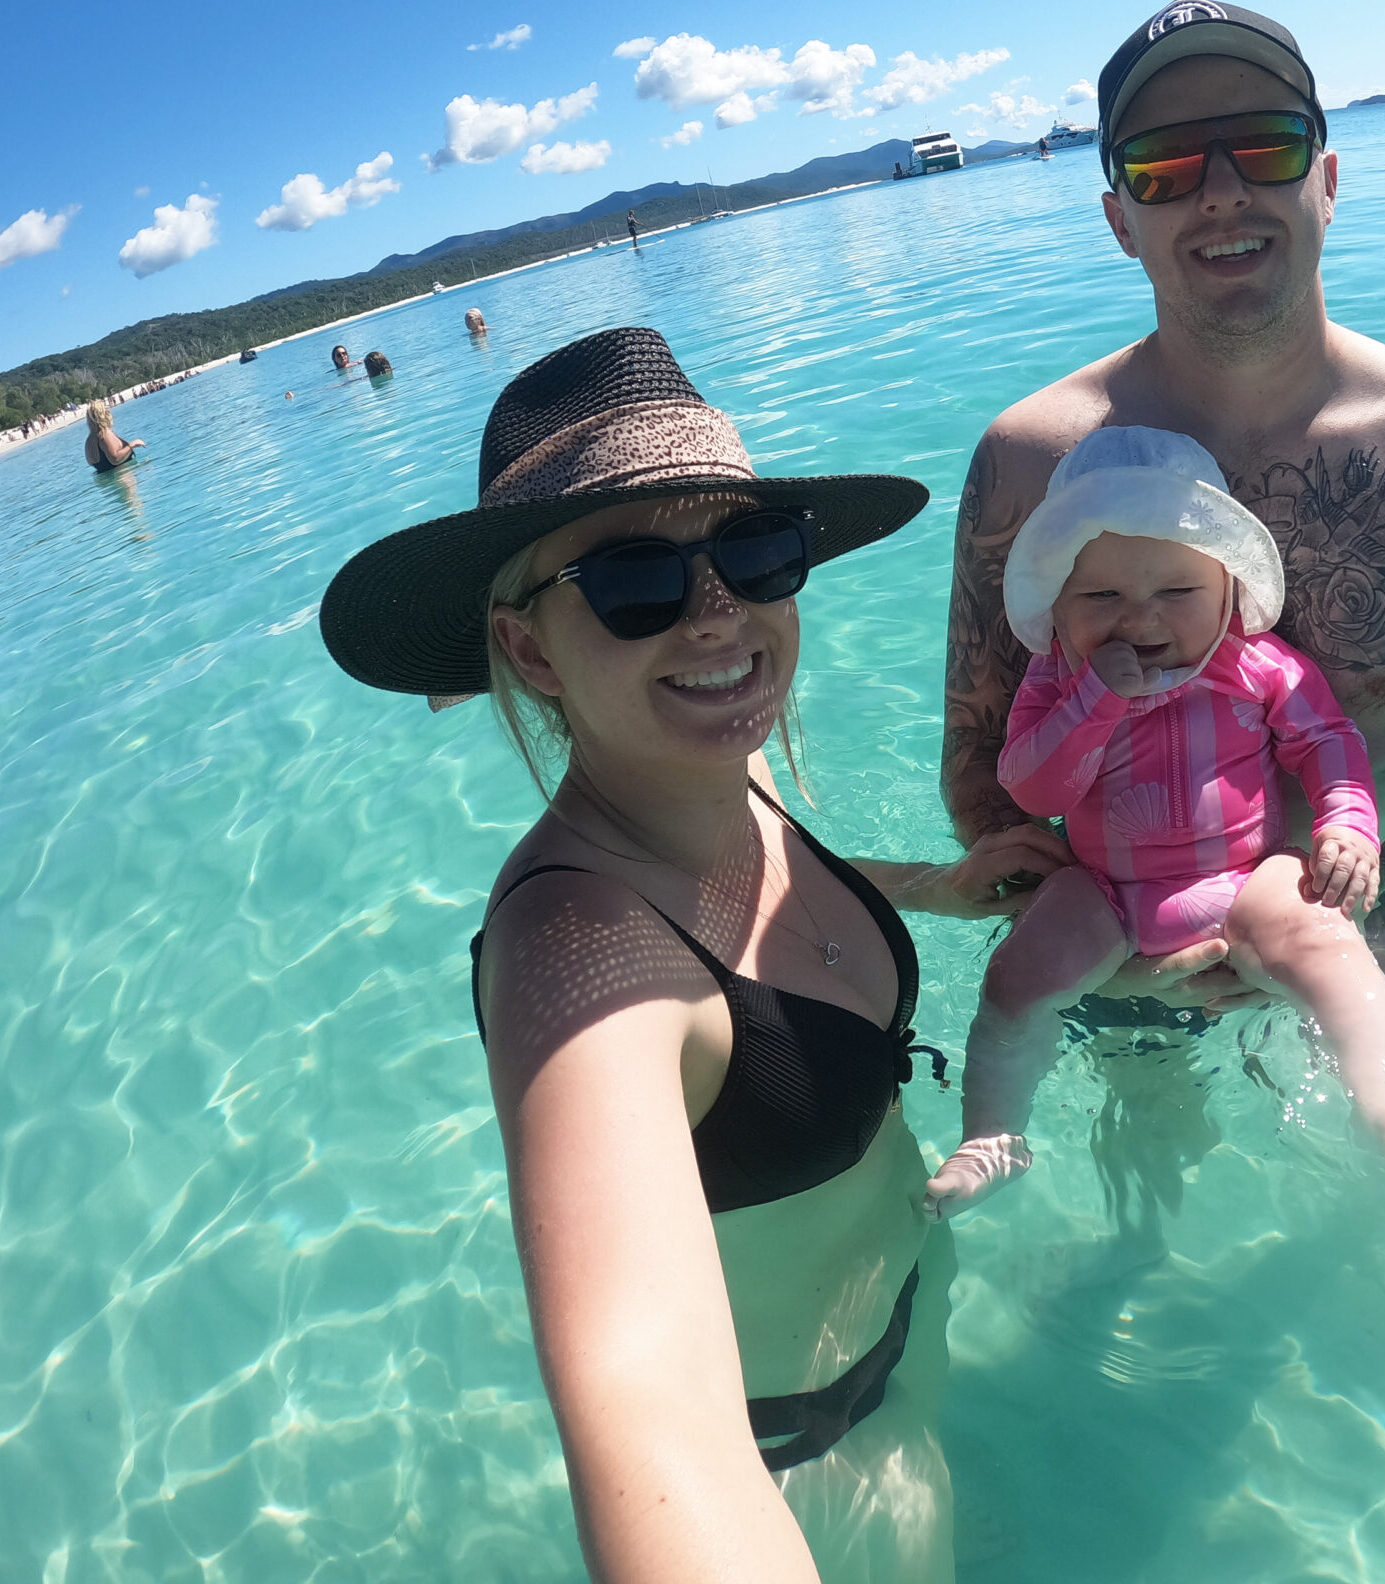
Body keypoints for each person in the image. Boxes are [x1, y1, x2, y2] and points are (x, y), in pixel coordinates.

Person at [320, 328, 1065, 1583]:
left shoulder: (722, 771)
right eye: (634, 580)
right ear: (531, 651)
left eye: (754, 552)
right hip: (807, 1462)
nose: (720, 614)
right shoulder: (580, 963)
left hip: (898, 1333)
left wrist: (931, 889)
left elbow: (761, 896)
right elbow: (646, 1418)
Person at [943, 0, 1385, 1025]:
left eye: (1265, 148)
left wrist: (1346, 894)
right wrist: (1093, 924)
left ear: (1327, 179)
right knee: (1138, 1169)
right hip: (1123, 936)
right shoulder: (1030, 463)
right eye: (1166, 166)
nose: (1222, 192)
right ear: (1118, 219)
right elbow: (981, 772)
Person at [926, 429, 1385, 1216]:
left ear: (1230, 587)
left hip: (1245, 880)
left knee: (1326, 937)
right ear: (1056, 607)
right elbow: (1035, 784)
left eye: (1177, 593)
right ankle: (990, 1136)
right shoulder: (1055, 681)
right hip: (1107, 891)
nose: (1141, 619)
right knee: (1012, 981)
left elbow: (1326, 740)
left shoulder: (1257, 662)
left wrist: (1347, 821)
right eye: (1101, 598)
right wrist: (1095, 700)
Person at [82, 399, 143, 472]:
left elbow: (91, 462)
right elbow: (115, 459)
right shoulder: (104, 434)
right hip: (122, 476)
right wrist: (132, 445)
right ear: (105, 414)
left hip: (103, 481)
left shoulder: (89, 440)